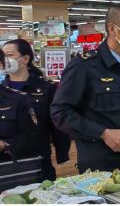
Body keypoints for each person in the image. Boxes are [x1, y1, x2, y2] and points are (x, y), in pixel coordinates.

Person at [51, 3, 120, 173]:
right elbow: (60, 112)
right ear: (112, 29)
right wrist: (102, 133)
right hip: (101, 164)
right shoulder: (84, 66)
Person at [2, 39, 70, 180]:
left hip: (37, 159)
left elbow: (57, 124)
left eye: (10, 55)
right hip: (6, 160)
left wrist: (62, 155)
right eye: (3, 55)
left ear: (25, 58)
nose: (5, 59)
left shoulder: (47, 89)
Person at [0, 49, 41, 163]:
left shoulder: (19, 99)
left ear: (3, 66)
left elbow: (31, 137)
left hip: (8, 169)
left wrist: (6, 145)